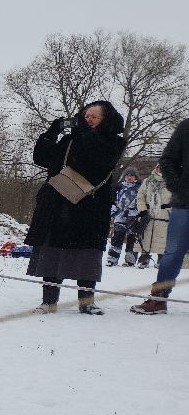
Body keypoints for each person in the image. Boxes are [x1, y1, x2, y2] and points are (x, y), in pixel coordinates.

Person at [24, 100, 126, 314]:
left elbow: (96, 159)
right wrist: (51, 133)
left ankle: (86, 302)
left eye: (93, 117)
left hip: (90, 208)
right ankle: (48, 301)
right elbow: (42, 158)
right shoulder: (70, 139)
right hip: (57, 203)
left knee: (87, 254)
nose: (87, 119)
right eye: (85, 115)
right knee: (52, 251)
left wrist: (83, 131)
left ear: (106, 120)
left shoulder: (114, 142)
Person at [131, 116, 188, 315]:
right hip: (184, 205)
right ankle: (158, 299)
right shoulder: (186, 127)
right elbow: (167, 161)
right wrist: (180, 188)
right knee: (172, 253)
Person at [134, 163, 170, 270]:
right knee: (146, 236)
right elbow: (140, 196)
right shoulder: (148, 181)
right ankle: (144, 258)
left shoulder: (173, 182)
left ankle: (161, 259)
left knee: (162, 237)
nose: (161, 169)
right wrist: (143, 210)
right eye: (159, 167)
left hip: (164, 214)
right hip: (148, 213)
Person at [105, 167, 143, 266]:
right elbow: (112, 200)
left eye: (131, 176)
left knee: (132, 238)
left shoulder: (140, 188)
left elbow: (142, 201)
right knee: (117, 238)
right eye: (127, 176)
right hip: (119, 215)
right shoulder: (119, 187)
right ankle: (112, 259)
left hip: (133, 217)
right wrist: (113, 209)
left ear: (136, 177)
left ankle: (130, 259)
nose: (129, 177)